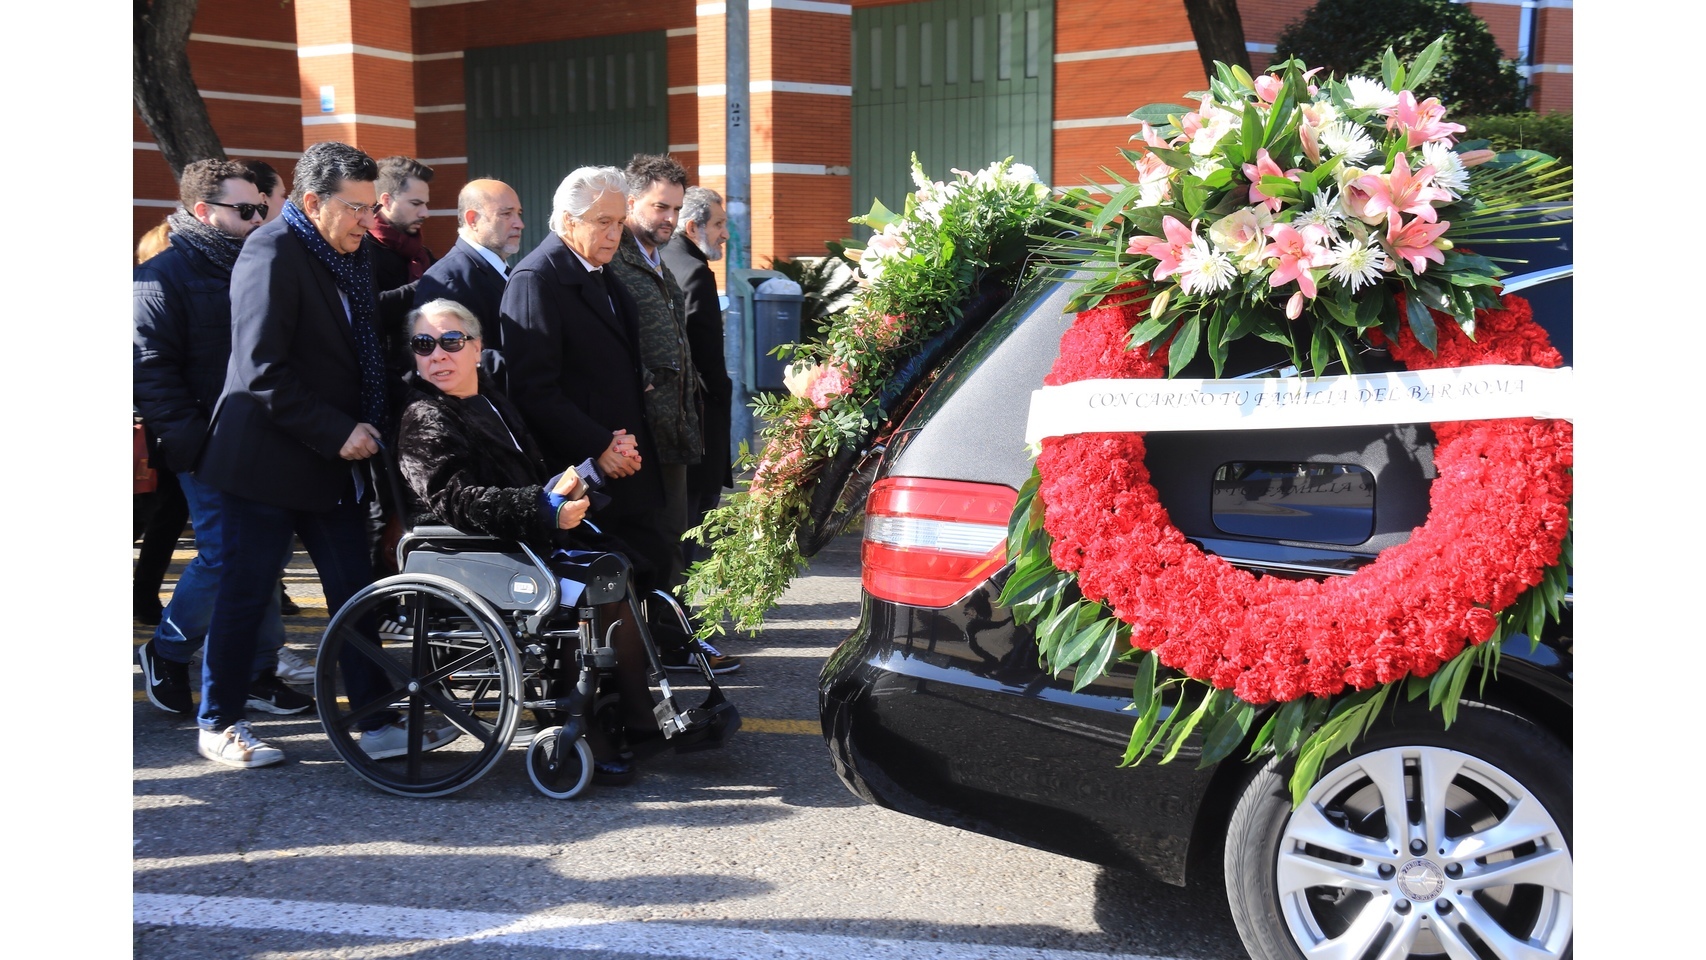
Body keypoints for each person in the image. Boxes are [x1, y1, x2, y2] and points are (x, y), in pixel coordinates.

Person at [191, 141, 407, 768]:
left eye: (373, 208)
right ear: (312, 202)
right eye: (357, 208)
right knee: (246, 589)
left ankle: (375, 719)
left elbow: (359, 336)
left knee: (352, 589)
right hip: (266, 461)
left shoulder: (354, 251)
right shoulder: (271, 251)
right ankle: (219, 722)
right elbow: (261, 369)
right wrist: (338, 430)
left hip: (327, 461)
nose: (370, 221)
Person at [395, 298, 656, 784]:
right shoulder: (425, 418)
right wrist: (542, 508)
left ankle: (637, 712)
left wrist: (586, 475)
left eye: (451, 341)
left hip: (518, 543)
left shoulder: (490, 400)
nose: (438, 355)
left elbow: (535, 478)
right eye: (424, 344)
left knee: (624, 574)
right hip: (474, 554)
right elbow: (459, 501)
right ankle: (595, 719)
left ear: (477, 348)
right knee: (602, 589)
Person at [502, 166, 740, 675]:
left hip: (634, 454)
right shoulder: (537, 279)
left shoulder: (601, 270)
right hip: (587, 469)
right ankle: (614, 695)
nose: (614, 234)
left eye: (616, 222)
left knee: (652, 559)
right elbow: (533, 389)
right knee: (605, 591)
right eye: (602, 222)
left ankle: (645, 676)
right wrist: (597, 444)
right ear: (567, 221)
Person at [134, 159, 316, 723]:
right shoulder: (161, 276)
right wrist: (196, 446)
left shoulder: (258, 262)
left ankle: (257, 670)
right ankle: (166, 650)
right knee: (225, 554)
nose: (258, 217)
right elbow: (152, 374)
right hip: (206, 448)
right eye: (245, 210)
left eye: (261, 207)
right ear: (202, 211)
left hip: (262, 441)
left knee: (264, 555)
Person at [608, 155, 701, 590]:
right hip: (637, 431)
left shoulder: (657, 260)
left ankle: (674, 638)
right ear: (630, 203)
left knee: (674, 540)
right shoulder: (613, 260)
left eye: (677, 209)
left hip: (673, 426)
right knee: (657, 544)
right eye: (660, 207)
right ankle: (669, 645)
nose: (671, 219)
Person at [660, 186, 733, 568]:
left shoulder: (660, 261)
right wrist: (723, 392)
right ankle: (681, 621)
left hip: (673, 424)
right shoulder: (694, 273)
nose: (725, 234)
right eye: (719, 224)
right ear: (693, 227)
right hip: (698, 426)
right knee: (692, 531)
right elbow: (706, 361)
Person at [413, 178, 524, 386]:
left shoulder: (501, 270)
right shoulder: (445, 280)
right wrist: (539, 364)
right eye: (506, 214)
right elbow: (448, 359)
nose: (519, 223)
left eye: (519, 214)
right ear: (472, 219)